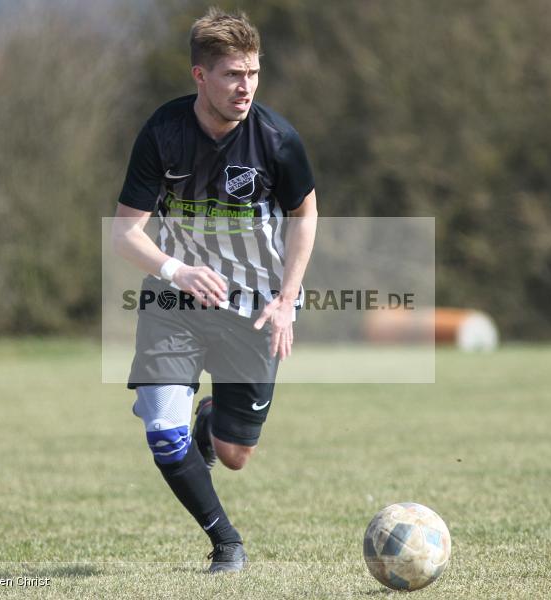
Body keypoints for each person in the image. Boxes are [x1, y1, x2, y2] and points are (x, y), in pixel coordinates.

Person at [112, 7, 318, 573]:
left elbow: (305, 216)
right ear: (200, 75)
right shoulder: (163, 133)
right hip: (175, 303)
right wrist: (175, 272)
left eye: (252, 73)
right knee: (162, 433)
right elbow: (125, 232)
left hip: (253, 309)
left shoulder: (276, 140)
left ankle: (212, 422)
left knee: (234, 455)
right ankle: (226, 541)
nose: (245, 86)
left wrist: (286, 300)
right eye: (232, 74)